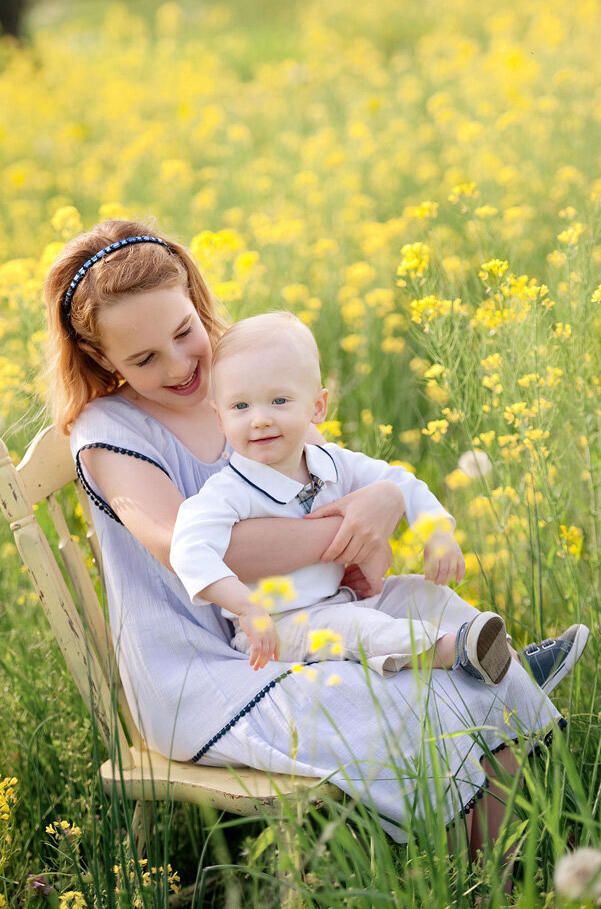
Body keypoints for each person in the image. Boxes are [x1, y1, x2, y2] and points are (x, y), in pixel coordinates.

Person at [43, 218, 578, 849]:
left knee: (436, 623)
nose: (180, 363)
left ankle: (526, 854)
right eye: (143, 358)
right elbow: (198, 550)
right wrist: (356, 521)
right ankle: (485, 867)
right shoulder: (111, 431)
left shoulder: (244, 381)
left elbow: (334, 486)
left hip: (310, 615)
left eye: (185, 333)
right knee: (397, 695)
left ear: (195, 298)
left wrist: (379, 500)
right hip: (206, 675)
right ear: (103, 359)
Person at [171, 311, 513, 686]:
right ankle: (453, 651)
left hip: (345, 597)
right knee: (359, 627)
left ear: (317, 407)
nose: (260, 420)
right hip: (283, 625)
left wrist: (439, 533)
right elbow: (188, 549)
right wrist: (245, 606)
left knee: (420, 591)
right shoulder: (227, 492)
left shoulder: (330, 462)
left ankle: (506, 657)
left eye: (279, 401)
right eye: (241, 407)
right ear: (220, 419)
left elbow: (399, 481)